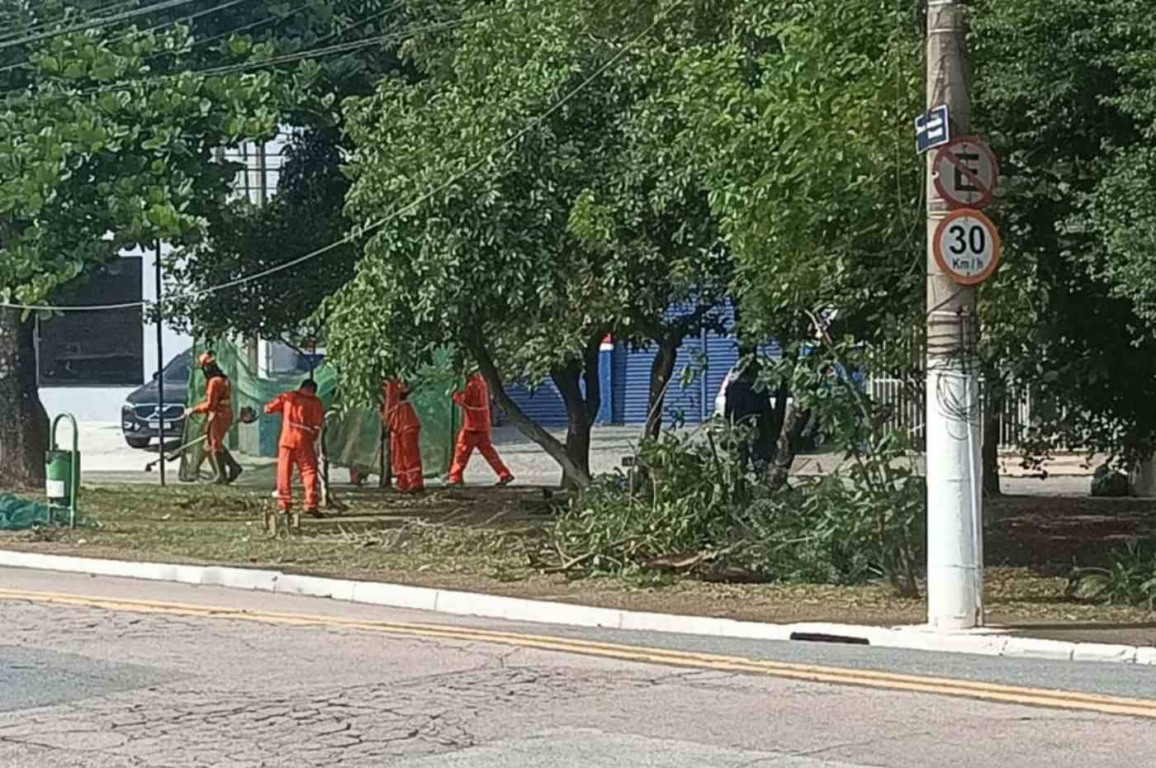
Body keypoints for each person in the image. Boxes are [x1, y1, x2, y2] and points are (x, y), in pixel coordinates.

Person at [264, 379, 325, 524]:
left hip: (286, 440)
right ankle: (311, 503)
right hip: (304, 440)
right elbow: (317, 425)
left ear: (301, 387)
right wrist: (312, 439)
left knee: (284, 472)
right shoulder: (316, 402)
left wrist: (273, 408)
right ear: (313, 390)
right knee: (309, 471)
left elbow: (268, 408)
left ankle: (284, 505)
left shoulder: (289, 397)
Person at [447, 371, 513, 487]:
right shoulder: (482, 383)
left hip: (471, 425)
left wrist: (454, 395)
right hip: (483, 424)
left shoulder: (472, 385)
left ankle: (455, 477)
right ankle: (504, 473)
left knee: (461, 452)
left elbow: (465, 400)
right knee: (489, 453)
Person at [186, 352, 242, 485]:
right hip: (225, 413)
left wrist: (193, 409)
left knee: (215, 445)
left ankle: (221, 475)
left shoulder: (214, 382)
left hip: (219, 415)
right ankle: (233, 467)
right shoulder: (223, 379)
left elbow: (210, 404)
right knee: (210, 444)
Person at [723, 358, 775, 472]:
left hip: (741, 424)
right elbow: (767, 408)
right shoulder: (758, 387)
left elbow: (728, 409)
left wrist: (727, 426)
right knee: (757, 453)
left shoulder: (734, 386)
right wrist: (771, 427)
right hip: (757, 425)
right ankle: (757, 472)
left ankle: (742, 473)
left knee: (742, 454)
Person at [382, 379, 424, 492]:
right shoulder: (389, 390)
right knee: (398, 456)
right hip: (397, 426)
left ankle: (415, 481)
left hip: (406, 424)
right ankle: (403, 481)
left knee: (409, 454)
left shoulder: (393, 387)